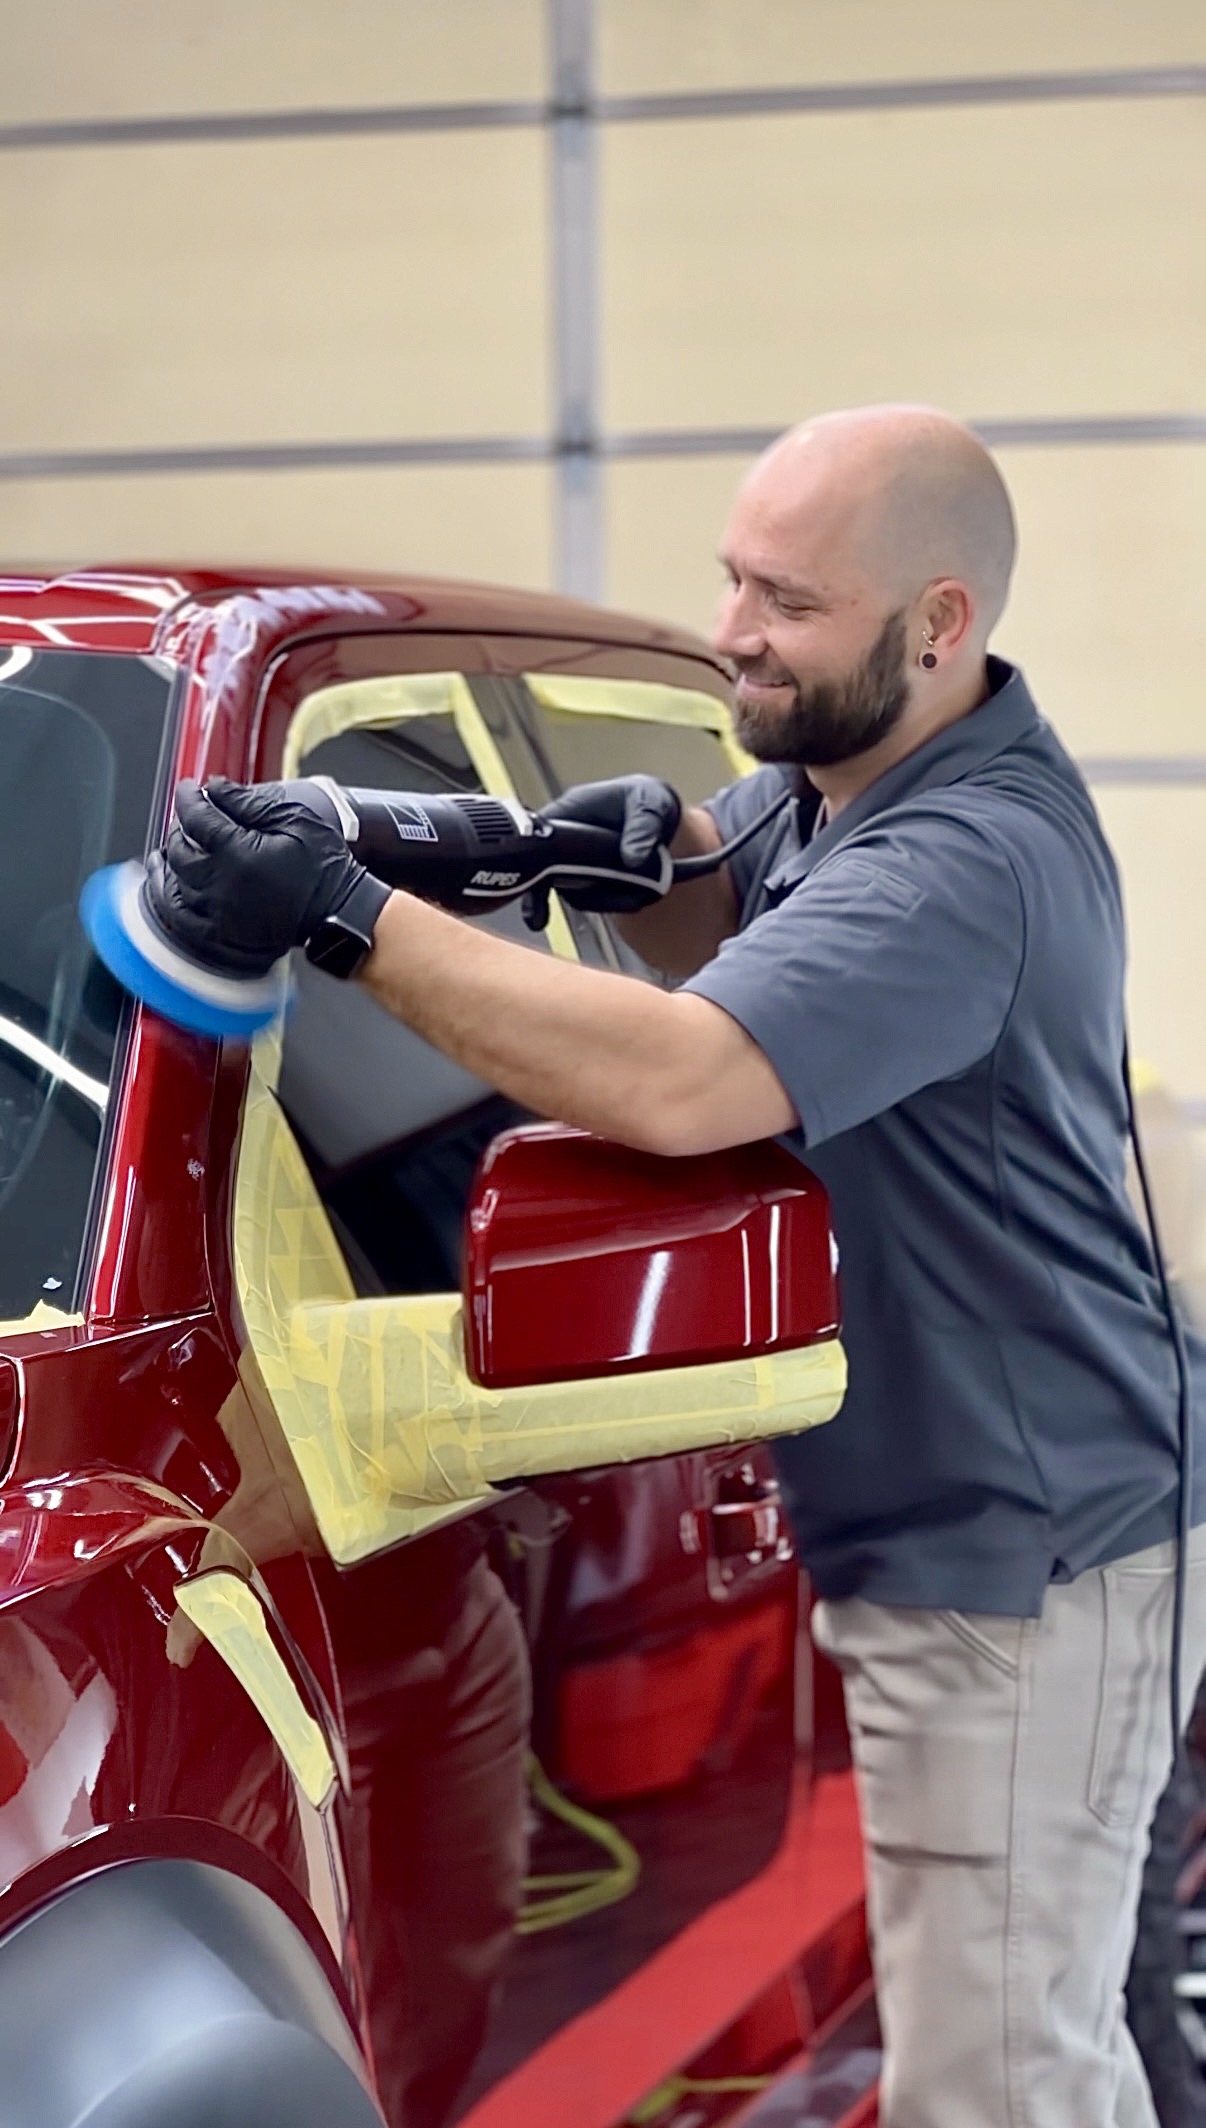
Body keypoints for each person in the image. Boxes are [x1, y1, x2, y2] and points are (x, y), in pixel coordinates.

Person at [149, 403, 1206, 2127]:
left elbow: (679, 1077)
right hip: (984, 1511)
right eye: (731, 578)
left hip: (1028, 1555)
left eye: (783, 601)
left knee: (1000, 2079)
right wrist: (483, 845)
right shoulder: (852, 785)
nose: (731, 633)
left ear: (935, 627)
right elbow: (709, 884)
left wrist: (347, 913)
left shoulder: (965, 858)